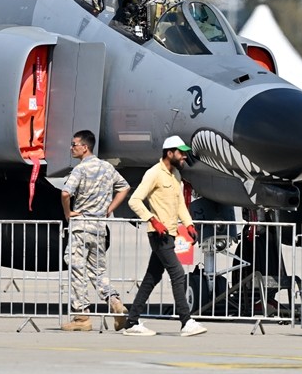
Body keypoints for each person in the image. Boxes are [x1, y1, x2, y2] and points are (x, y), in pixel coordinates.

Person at [122, 136, 207, 337]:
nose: (184, 156)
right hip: (158, 234)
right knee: (177, 274)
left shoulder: (175, 174)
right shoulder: (153, 173)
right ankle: (186, 321)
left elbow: (179, 205)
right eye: (181, 152)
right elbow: (134, 201)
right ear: (169, 153)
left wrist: (189, 224)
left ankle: (131, 322)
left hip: (169, 233)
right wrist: (152, 220)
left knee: (151, 278)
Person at [60, 129, 131, 331]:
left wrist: (68, 212)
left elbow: (66, 193)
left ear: (85, 147)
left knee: (77, 271)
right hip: (99, 227)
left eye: (74, 144)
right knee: (98, 271)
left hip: (81, 226)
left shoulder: (80, 169)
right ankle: (115, 303)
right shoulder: (107, 167)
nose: (71, 148)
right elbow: (124, 187)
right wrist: (109, 209)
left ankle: (82, 317)